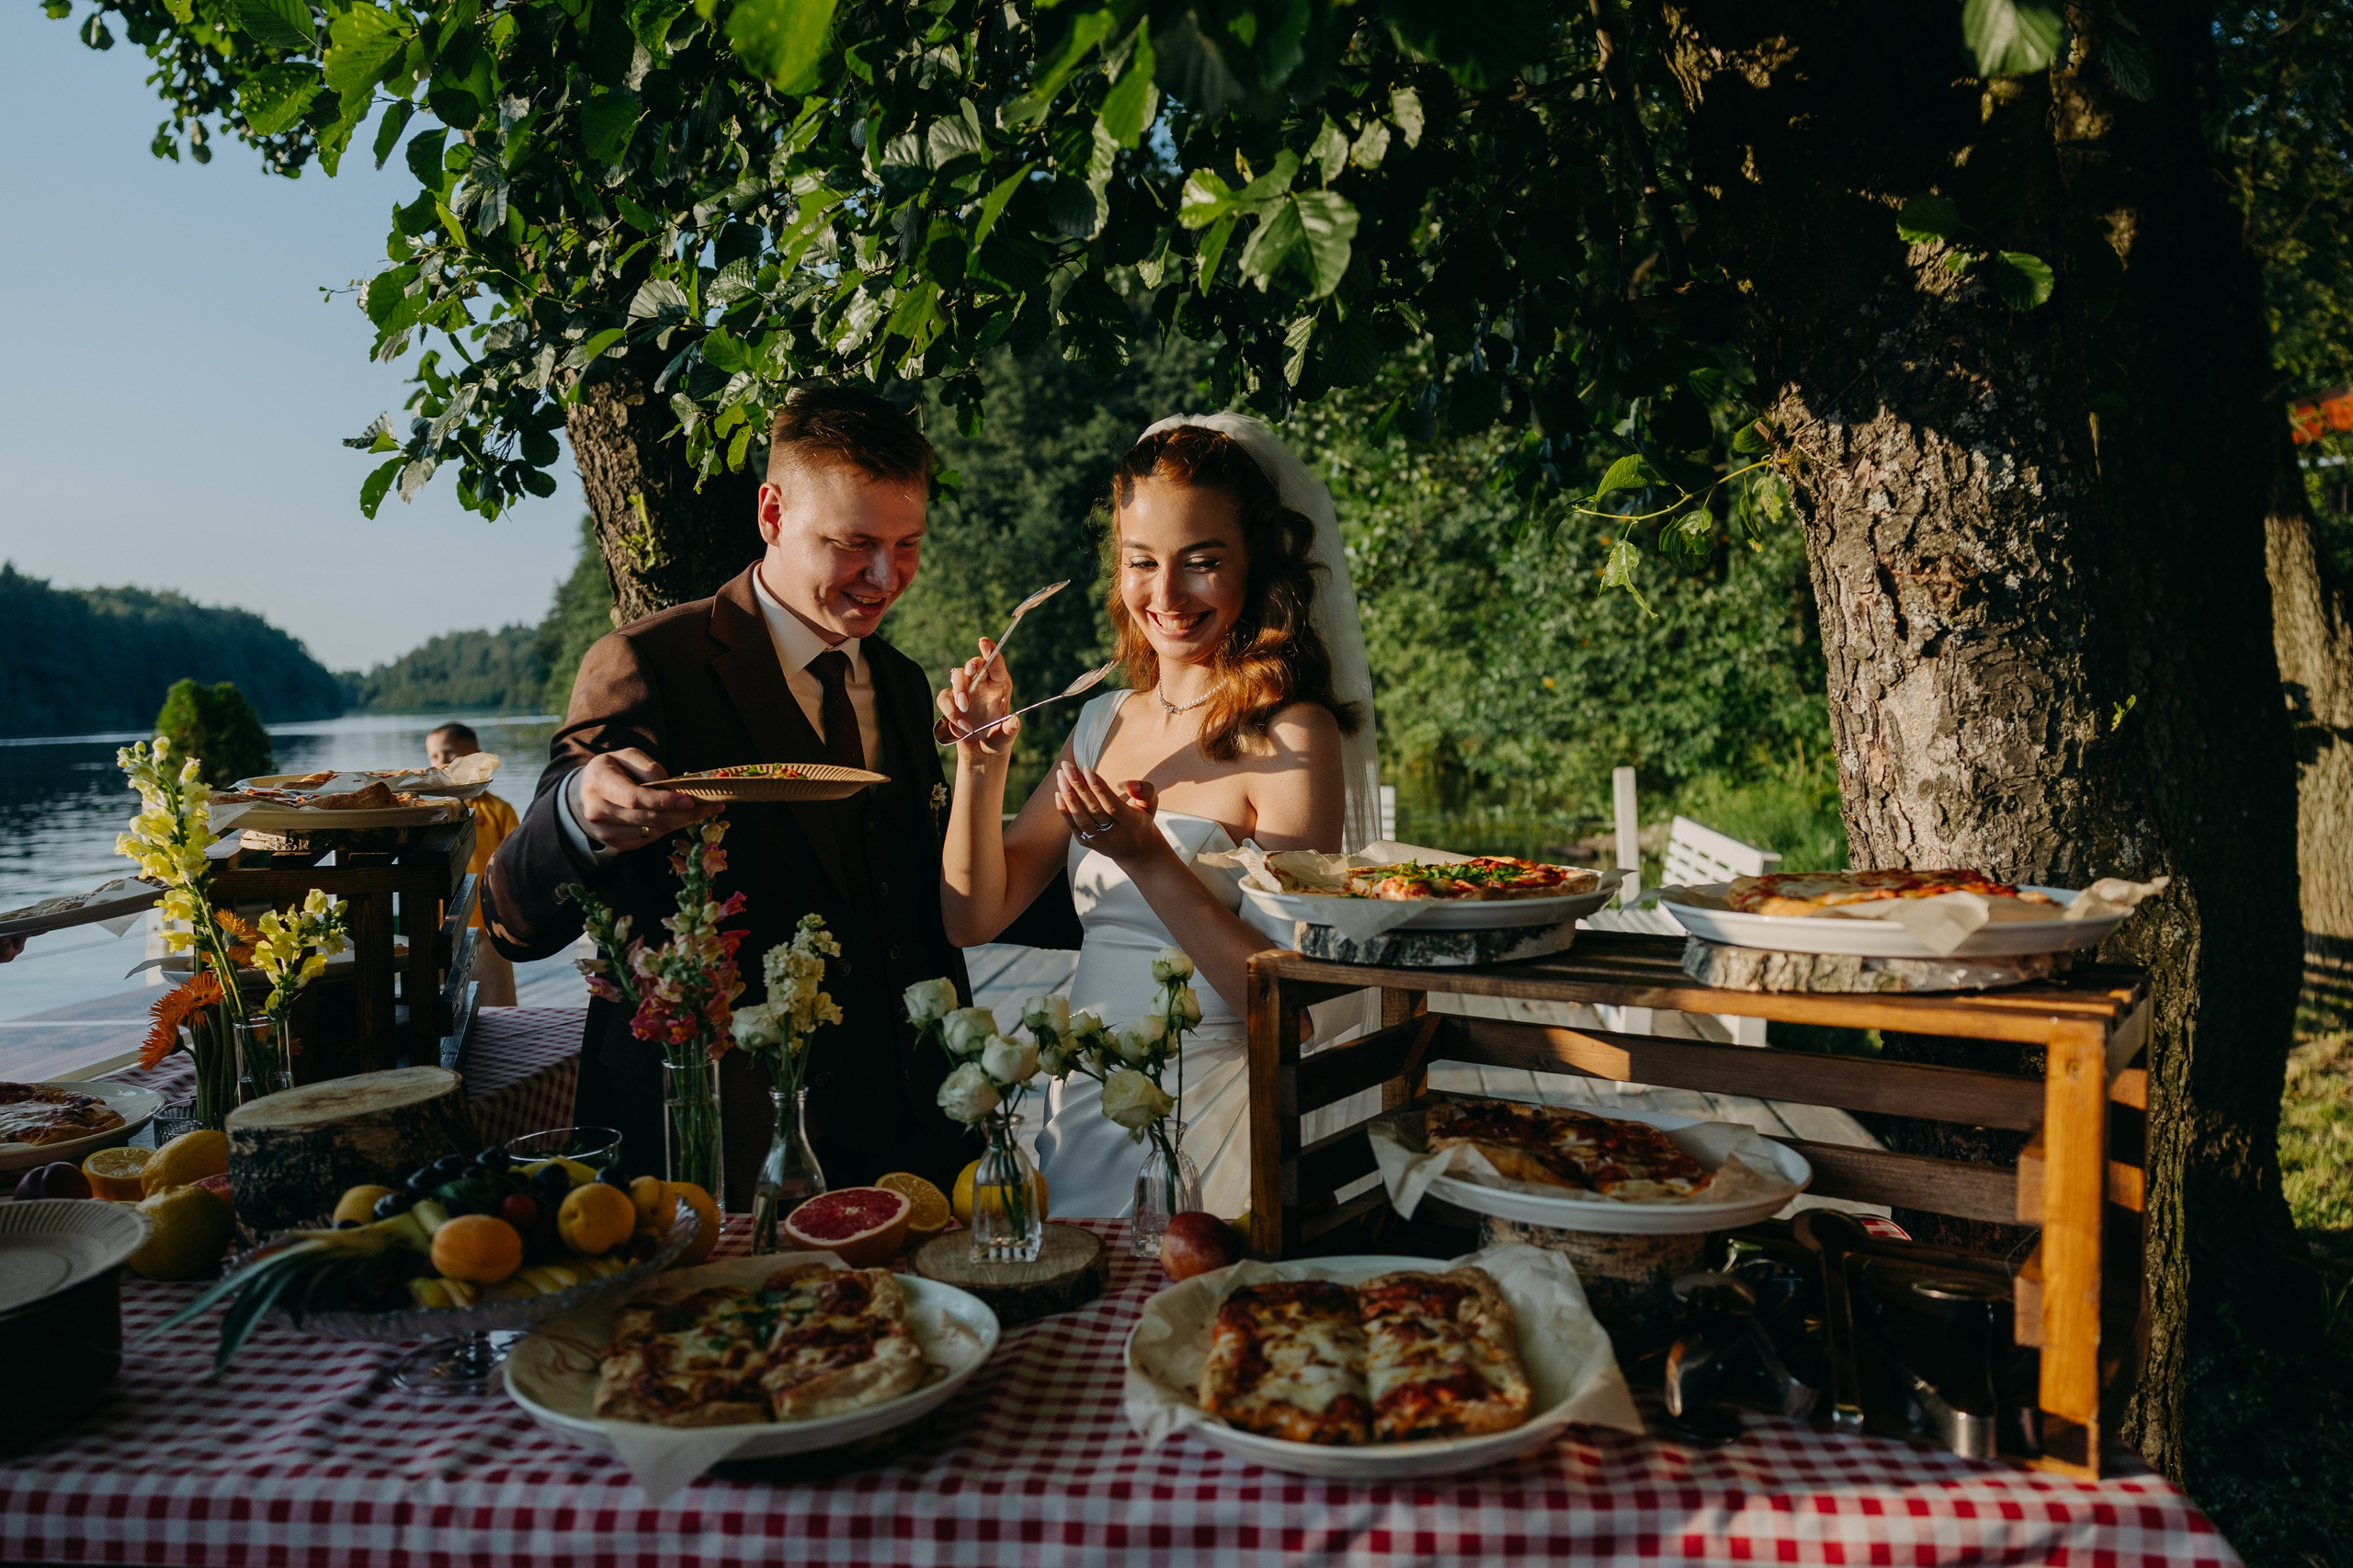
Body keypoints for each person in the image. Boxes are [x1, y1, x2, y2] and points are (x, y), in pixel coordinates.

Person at [482, 387, 977, 1203]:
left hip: (912, 1141)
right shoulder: (646, 663)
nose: (886, 577)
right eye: (853, 544)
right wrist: (577, 811)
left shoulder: (901, 681)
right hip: (720, 1146)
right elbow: (511, 919)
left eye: (908, 544)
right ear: (772, 514)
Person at [937, 415, 1381, 1219]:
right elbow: (973, 916)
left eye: (1202, 562)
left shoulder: (1292, 733)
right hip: (1082, 1106)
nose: (1167, 595)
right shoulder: (1101, 722)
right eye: (1143, 562)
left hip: (1211, 1116)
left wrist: (1147, 859)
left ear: (1256, 562)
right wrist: (981, 761)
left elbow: (1291, 1012)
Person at [427, 722, 520, 1007]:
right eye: (434, 756)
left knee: (497, 1006)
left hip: (488, 927)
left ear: (477, 756)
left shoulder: (498, 811)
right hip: (438, 927)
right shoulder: (427, 813)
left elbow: (516, 867)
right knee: (437, 1008)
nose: (441, 762)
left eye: (450, 753)